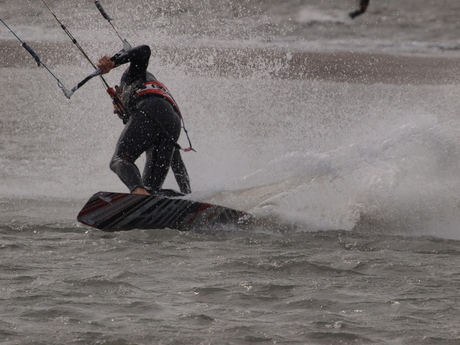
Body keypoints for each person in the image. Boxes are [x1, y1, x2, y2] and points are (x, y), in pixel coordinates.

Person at [97, 45, 191, 196]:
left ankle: (138, 191)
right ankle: (174, 200)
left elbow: (144, 50)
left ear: (119, 90)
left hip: (149, 108)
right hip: (173, 123)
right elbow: (177, 164)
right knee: (152, 191)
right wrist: (190, 197)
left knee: (119, 160)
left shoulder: (131, 78)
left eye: (116, 105)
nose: (116, 111)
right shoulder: (160, 107)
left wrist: (113, 62)